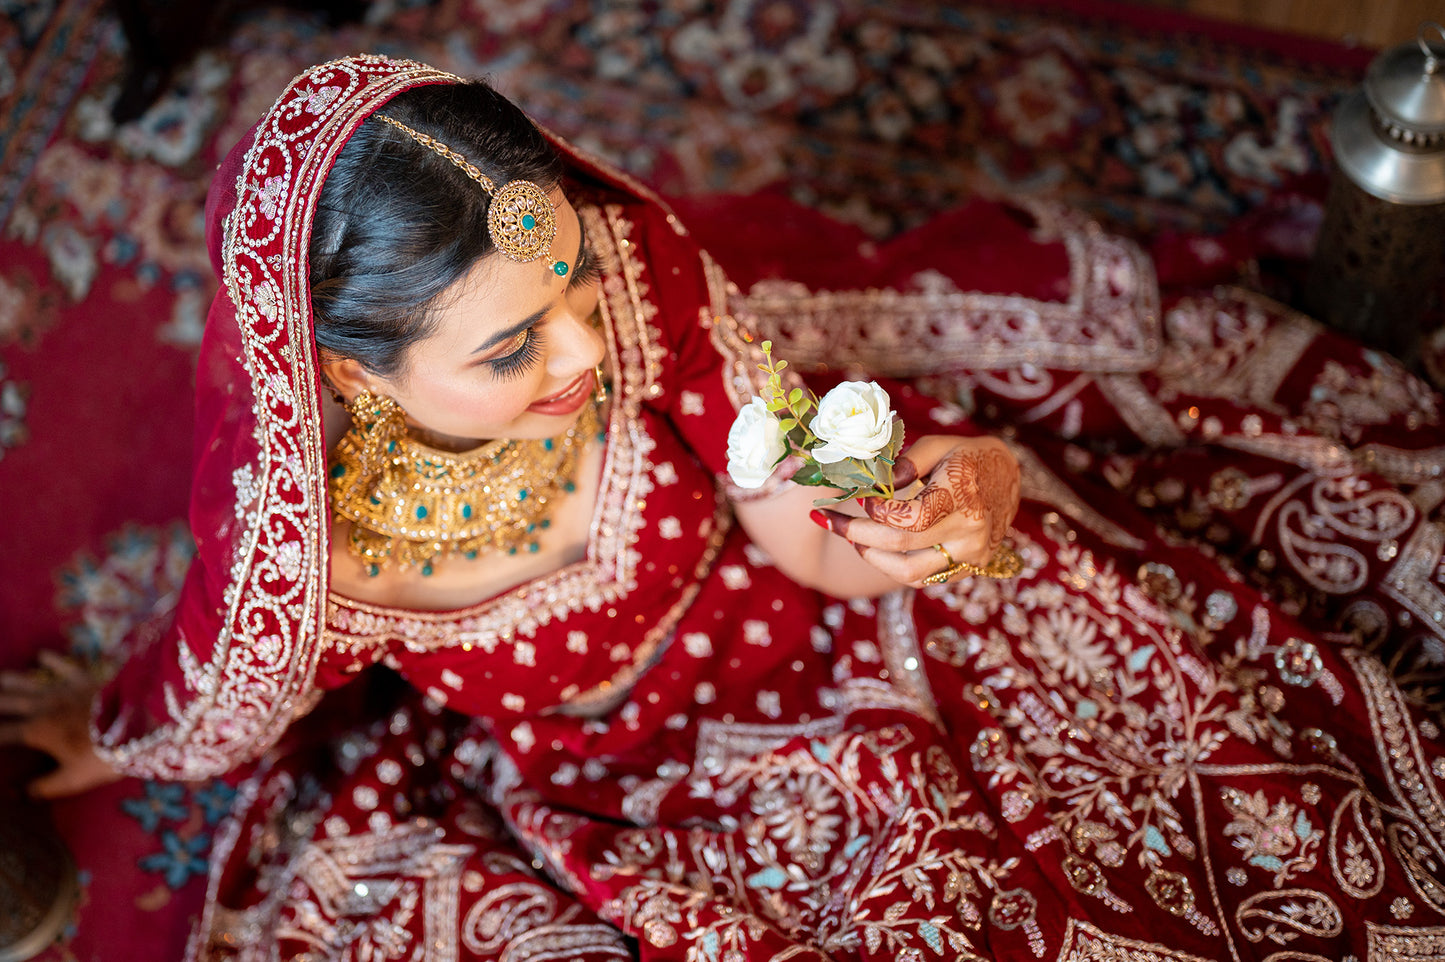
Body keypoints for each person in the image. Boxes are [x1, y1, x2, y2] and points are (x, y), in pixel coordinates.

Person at [3, 53, 1445, 961]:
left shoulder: (640, 277)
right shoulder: (304, 558)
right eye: (508, 346)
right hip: (616, 783)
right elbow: (214, 692)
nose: (584, 350)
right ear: (341, 367)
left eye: (569, 282)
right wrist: (111, 728)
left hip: (786, 619)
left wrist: (905, 529)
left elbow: (799, 513)